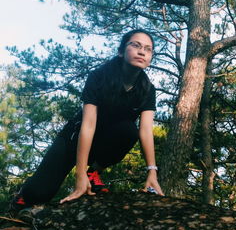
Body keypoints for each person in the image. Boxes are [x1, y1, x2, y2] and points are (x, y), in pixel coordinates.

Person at [10, 29, 164, 212]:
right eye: (136, 45)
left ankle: (94, 172)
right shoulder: (99, 77)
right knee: (39, 194)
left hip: (104, 143)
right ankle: (23, 195)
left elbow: (145, 131)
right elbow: (88, 124)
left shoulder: (147, 89)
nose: (142, 51)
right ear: (121, 51)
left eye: (148, 49)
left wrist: (152, 171)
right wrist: (79, 175)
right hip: (74, 140)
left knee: (129, 130)